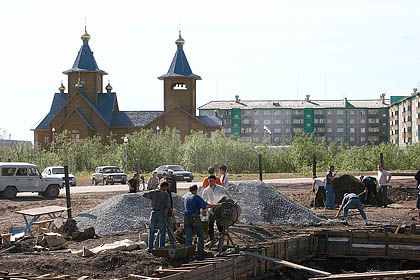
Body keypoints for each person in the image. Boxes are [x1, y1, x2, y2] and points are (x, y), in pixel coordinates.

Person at [183, 184, 219, 255]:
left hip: (186, 217)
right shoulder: (196, 197)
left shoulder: (186, 197)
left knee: (188, 235)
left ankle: (188, 251)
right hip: (194, 217)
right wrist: (217, 205)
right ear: (196, 190)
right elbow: (206, 205)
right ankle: (200, 251)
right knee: (200, 234)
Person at [143, 181, 171, 252]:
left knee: (151, 231)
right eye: (167, 187)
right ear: (164, 186)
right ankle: (161, 247)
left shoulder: (154, 192)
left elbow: (144, 194)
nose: (168, 188)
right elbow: (167, 206)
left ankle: (150, 247)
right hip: (161, 213)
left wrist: (152, 198)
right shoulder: (165, 194)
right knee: (162, 231)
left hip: (153, 212)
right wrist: (165, 215)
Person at [201, 175, 229, 247]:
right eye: (209, 181)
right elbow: (203, 201)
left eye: (212, 181)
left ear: (215, 181)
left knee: (220, 224)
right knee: (210, 225)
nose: (210, 182)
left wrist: (226, 205)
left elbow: (227, 197)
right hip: (211, 209)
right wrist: (203, 209)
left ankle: (221, 239)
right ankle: (211, 239)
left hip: (220, 209)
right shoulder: (206, 190)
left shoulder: (221, 189)